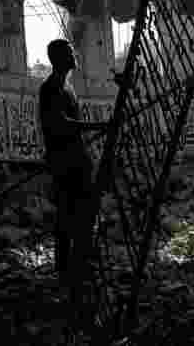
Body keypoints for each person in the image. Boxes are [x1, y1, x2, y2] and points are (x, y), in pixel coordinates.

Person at [37, 39, 109, 290]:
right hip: (66, 164)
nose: (74, 54)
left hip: (75, 160)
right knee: (70, 216)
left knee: (79, 215)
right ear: (58, 58)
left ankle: (76, 267)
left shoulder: (66, 87)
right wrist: (96, 127)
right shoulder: (51, 88)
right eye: (69, 52)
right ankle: (69, 271)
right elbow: (60, 124)